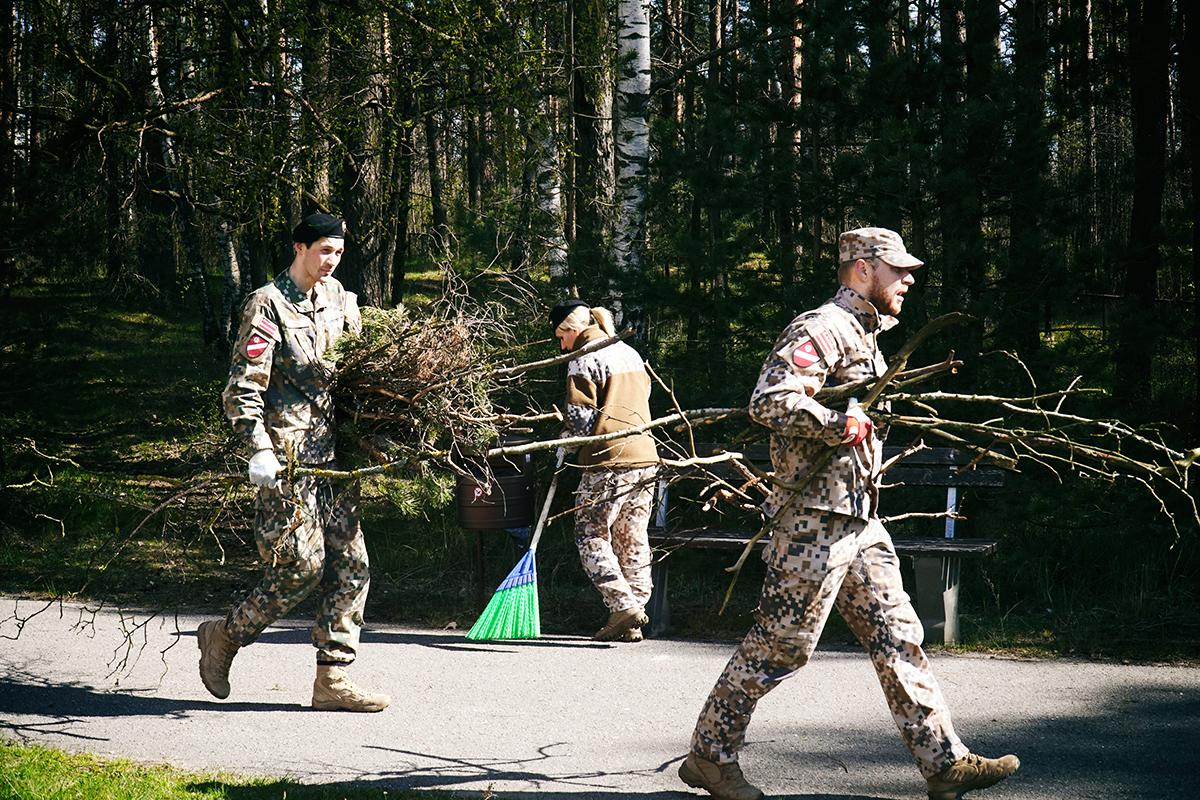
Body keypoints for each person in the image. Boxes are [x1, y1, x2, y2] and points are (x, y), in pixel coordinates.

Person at [677, 228, 1019, 800]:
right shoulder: (822, 327)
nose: (908, 279)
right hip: (813, 521)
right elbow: (770, 400)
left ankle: (945, 764)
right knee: (781, 646)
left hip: (857, 517)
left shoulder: (867, 332)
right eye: (898, 269)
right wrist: (837, 424)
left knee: (899, 634)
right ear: (863, 269)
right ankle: (709, 758)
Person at [197, 212, 390, 713]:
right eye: (324, 250)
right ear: (299, 248)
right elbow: (243, 388)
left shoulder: (340, 300)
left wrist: (374, 434)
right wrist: (257, 446)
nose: (332, 261)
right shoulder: (268, 304)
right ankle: (224, 636)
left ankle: (334, 680)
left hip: (335, 459)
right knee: (301, 566)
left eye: (339, 253)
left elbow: (353, 379)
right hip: (289, 460)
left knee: (352, 565)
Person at [550, 300, 660, 642]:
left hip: (608, 460)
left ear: (569, 330)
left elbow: (582, 421)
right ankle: (634, 616)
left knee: (590, 535)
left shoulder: (583, 358)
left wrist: (562, 445)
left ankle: (623, 604)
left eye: (560, 338)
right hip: (646, 457)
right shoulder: (628, 352)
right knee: (633, 539)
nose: (561, 346)